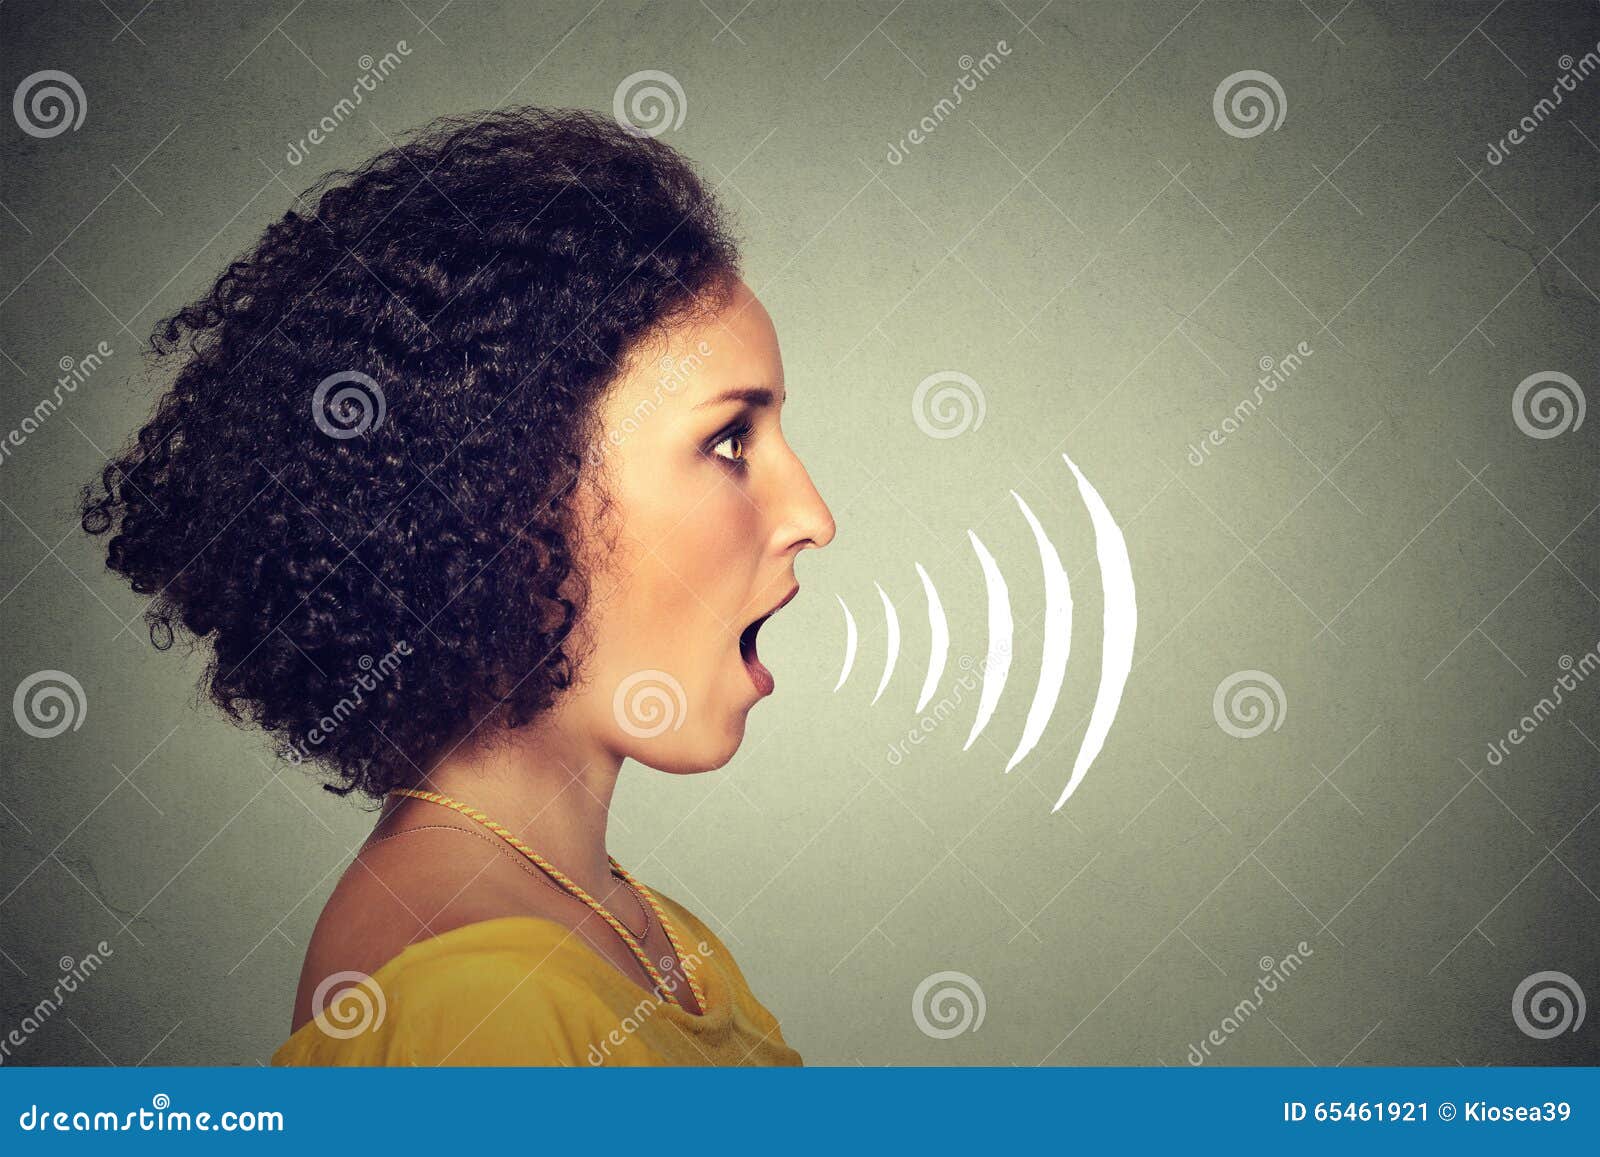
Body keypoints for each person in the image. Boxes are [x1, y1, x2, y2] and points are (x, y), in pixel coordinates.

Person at [78, 105, 836, 1066]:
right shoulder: (481, 1011)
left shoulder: (643, 928)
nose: (812, 513)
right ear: (510, 497)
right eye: (730, 439)